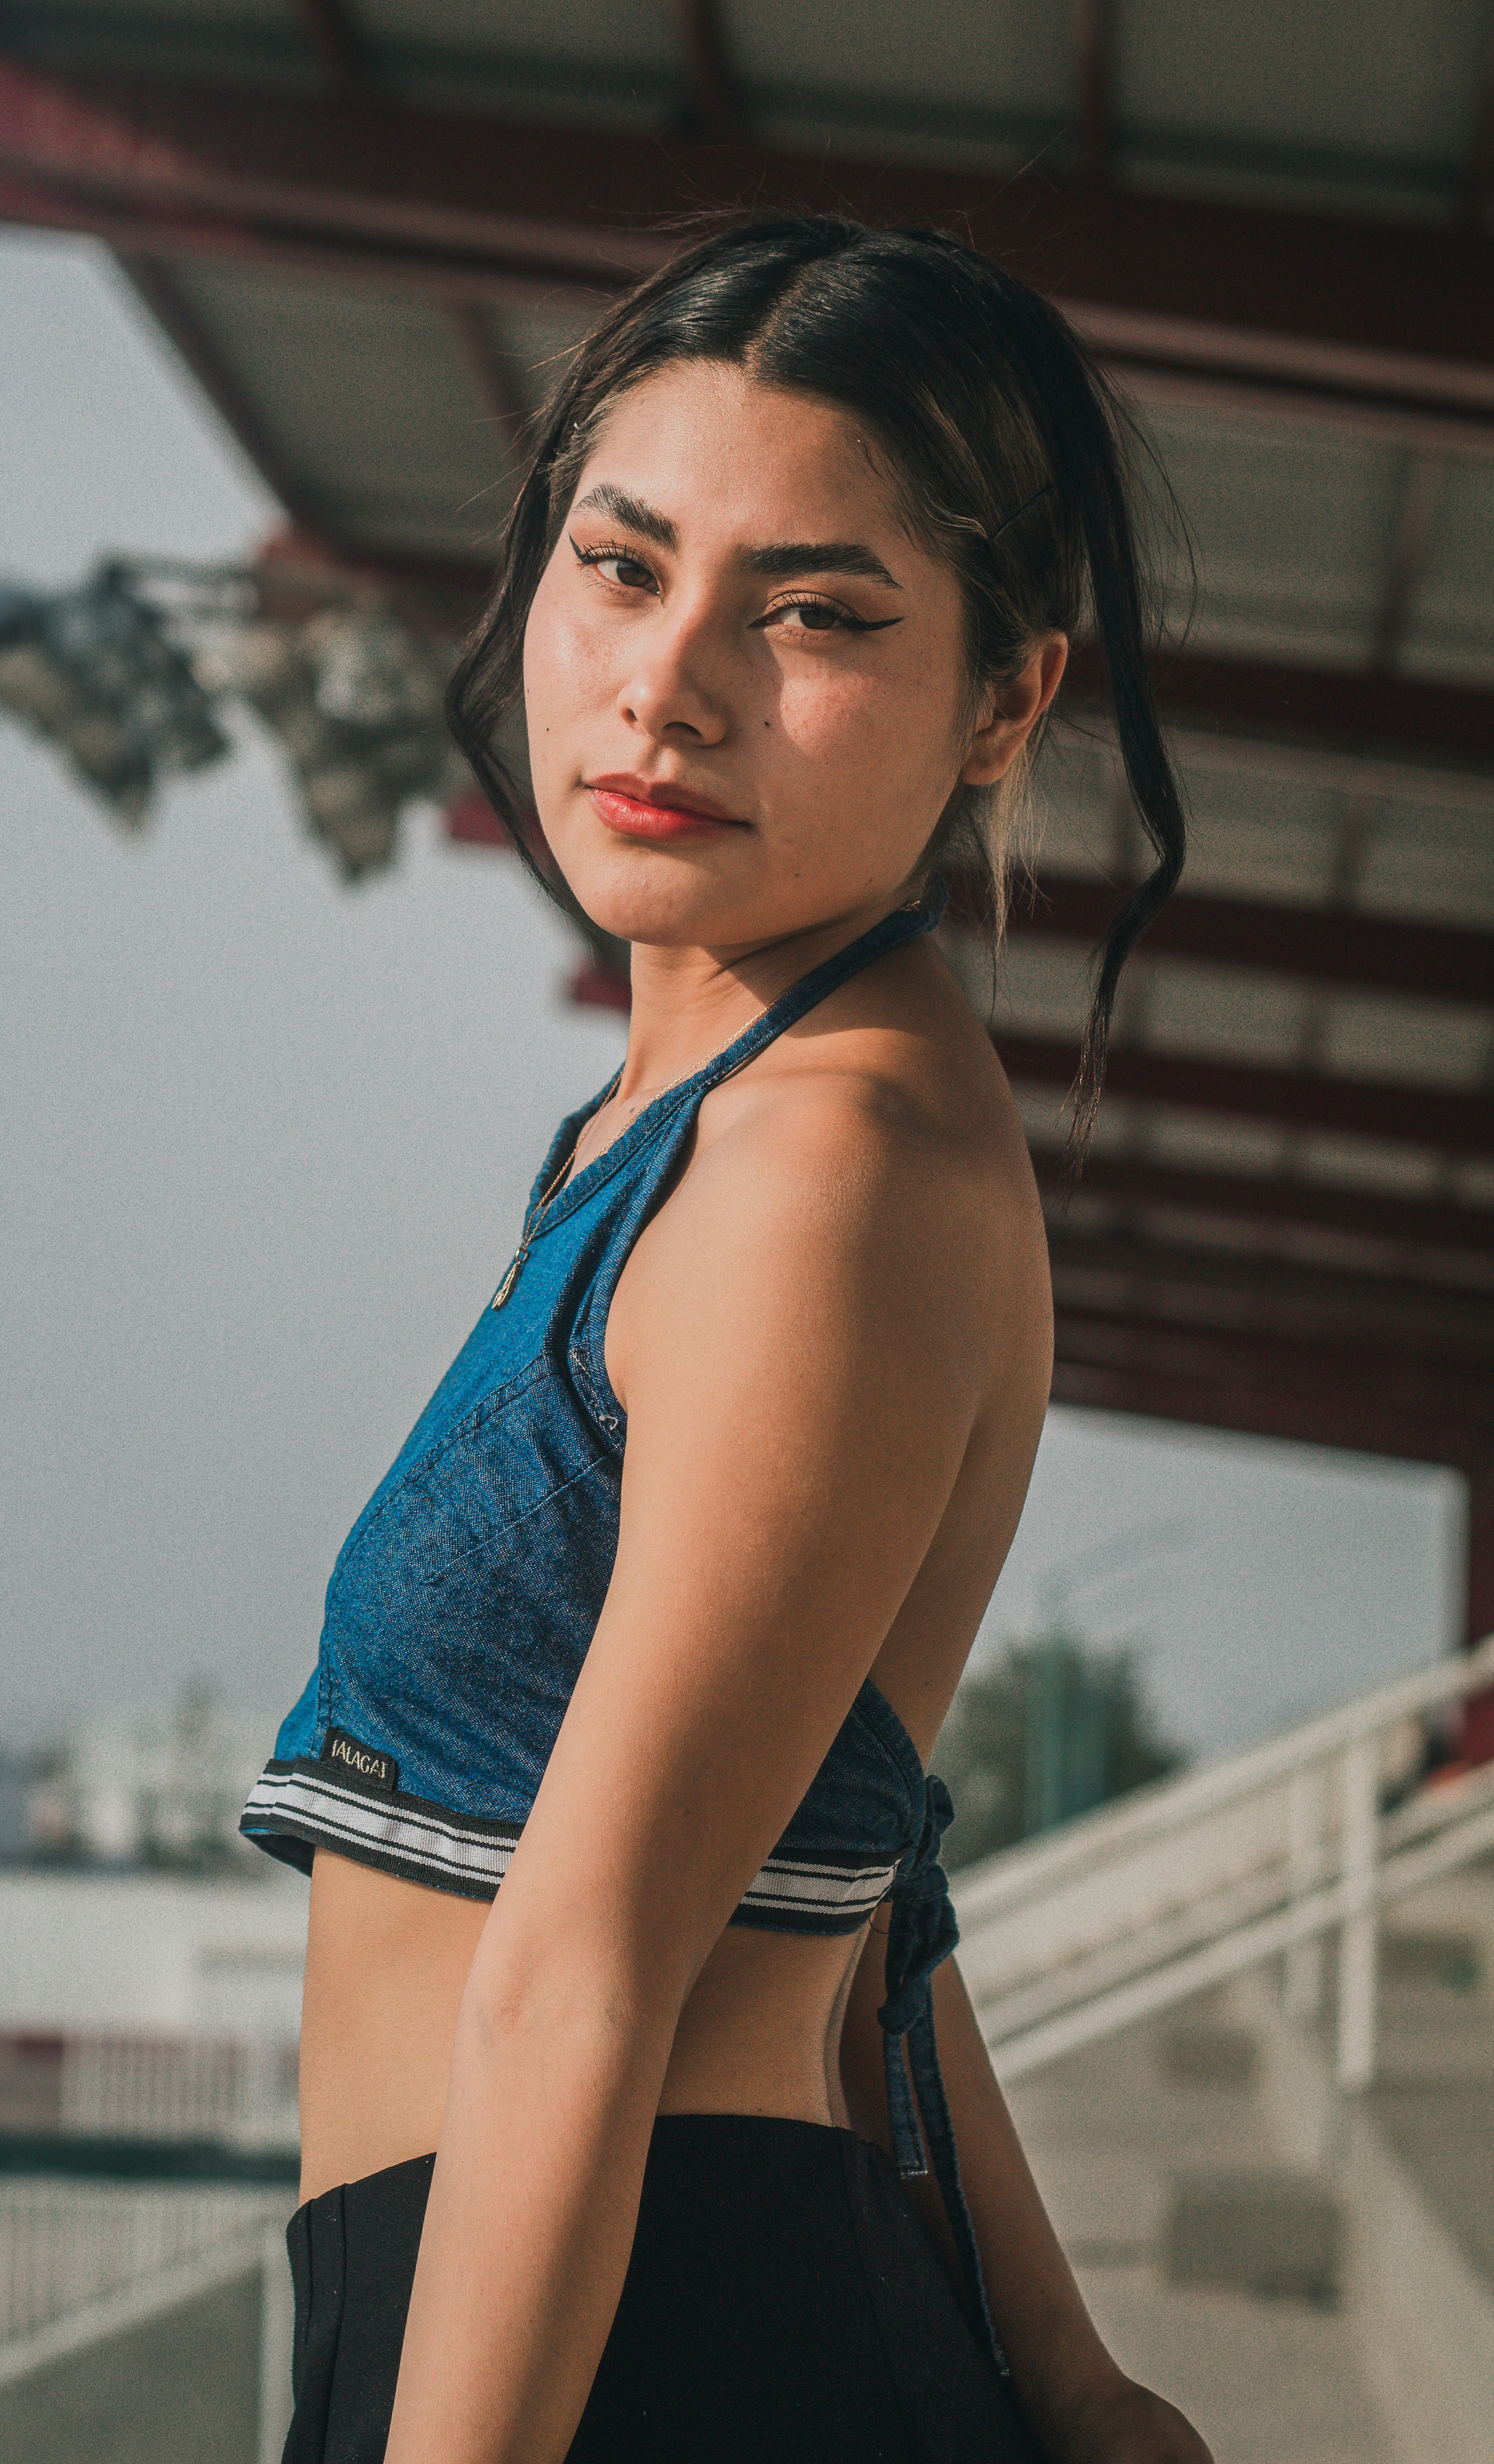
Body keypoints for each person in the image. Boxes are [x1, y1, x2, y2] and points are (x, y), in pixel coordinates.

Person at [241, 215, 1211, 2464]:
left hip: (624, 2348)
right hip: (608, 2301)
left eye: (817, 615)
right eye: (622, 564)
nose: (669, 685)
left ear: (1008, 702)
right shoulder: (687, 1120)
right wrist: (1063, 2369)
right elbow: (838, 1854)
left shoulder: (820, 1172)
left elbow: (581, 1980)